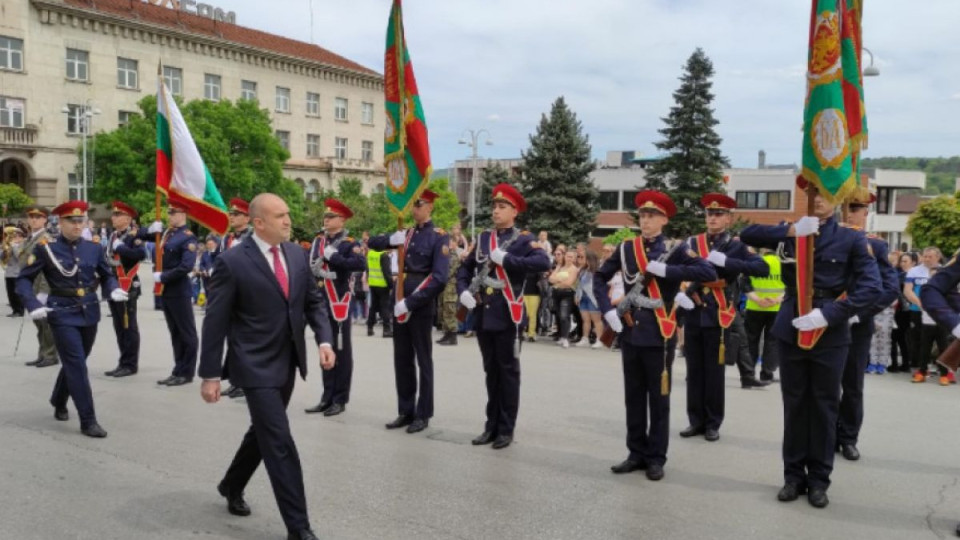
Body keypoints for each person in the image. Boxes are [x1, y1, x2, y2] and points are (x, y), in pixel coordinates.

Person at [199, 193, 334, 540]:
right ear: (259, 223)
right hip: (253, 365)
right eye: (280, 216)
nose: (288, 221)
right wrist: (210, 374)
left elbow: (313, 302)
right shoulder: (233, 261)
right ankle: (298, 527)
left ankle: (231, 484)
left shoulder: (296, 254)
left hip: (287, 361)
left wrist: (324, 340)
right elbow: (215, 321)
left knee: (262, 432)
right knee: (279, 440)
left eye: (288, 214)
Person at [739, 178, 880, 508]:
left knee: (824, 406)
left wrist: (830, 314)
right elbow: (746, 234)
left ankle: (819, 479)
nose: (818, 200)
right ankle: (792, 476)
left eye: (826, 193)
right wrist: (788, 232)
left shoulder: (850, 239)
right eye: (813, 192)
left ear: (838, 199)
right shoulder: (792, 231)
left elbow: (870, 287)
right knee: (795, 405)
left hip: (829, 331)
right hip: (791, 327)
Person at [594, 190, 716, 481]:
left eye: (652, 216)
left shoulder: (675, 249)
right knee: (633, 397)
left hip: (660, 332)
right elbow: (599, 277)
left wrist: (668, 270)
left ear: (664, 219)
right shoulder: (626, 249)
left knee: (658, 400)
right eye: (643, 215)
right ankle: (635, 452)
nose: (645, 220)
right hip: (630, 330)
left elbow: (707, 270)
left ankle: (656, 457)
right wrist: (606, 311)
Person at [16, 200, 128, 438]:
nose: (78, 225)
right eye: (72, 221)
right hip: (62, 312)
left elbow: (107, 274)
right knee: (77, 364)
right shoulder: (46, 248)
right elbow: (23, 279)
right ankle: (88, 420)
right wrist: (33, 304)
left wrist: (112, 289)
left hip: (89, 312)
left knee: (75, 361)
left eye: (81, 221)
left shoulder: (94, 247)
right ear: (60, 222)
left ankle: (58, 399)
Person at [456, 184, 551, 449]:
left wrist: (508, 259)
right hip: (485, 314)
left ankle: (506, 429)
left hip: (509, 314)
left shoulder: (523, 239)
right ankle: (491, 425)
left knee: (508, 373)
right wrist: (463, 291)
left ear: (514, 211)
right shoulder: (484, 238)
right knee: (491, 372)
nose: (496, 211)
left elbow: (543, 263)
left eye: (502, 207)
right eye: (494, 207)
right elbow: (465, 268)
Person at [676, 193, 770, 442]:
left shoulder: (735, 246)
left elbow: (762, 267)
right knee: (694, 370)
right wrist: (682, 290)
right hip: (694, 310)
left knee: (714, 372)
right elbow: (676, 267)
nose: (713, 218)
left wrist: (729, 262)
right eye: (709, 214)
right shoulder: (692, 242)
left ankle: (713, 422)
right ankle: (695, 420)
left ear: (728, 219)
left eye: (718, 214)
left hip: (719, 313)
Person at [367, 189, 449, 434]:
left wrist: (411, 303)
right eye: (413, 204)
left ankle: (423, 413)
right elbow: (372, 242)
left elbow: (440, 278)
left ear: (430, 207)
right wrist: (393, 240)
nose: (414, 208)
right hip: (399, 295)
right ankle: (405, 410)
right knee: (401, 358)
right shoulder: (407, 233)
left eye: (419, 203)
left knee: (423, 359)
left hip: (420, 304)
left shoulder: (439, 237)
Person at [836, 189, 899, 461]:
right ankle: (826, 436)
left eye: (857, 207)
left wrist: (860, 313)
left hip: (857, 323)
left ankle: (848, 438)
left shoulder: (876, 245)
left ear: (866, 213)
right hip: (827, 320)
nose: (851, 212)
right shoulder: (828, 240)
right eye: (847, 207)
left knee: (852, 385)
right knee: (825, 386)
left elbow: (890, 288)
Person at [304, 198, 366, 417]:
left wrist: (336, 258)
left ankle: (340, 398)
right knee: (325, 347)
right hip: (320, 300)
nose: (326, 219)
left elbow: (359, 265)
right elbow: (311, 266)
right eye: (326, 216)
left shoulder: (349, 242)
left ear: (342, 219)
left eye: (331, 217)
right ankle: (326, 396)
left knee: (341, 350)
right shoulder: (318, 241)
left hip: (339, 301)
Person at [144, 203, 199, 387]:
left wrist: (164, 276)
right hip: (166, 291)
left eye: (173, 212)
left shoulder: (187, 238)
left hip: (179, 290)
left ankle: (187, 372)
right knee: (175, 333)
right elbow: (140, 235)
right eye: (168, 212)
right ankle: (178, 369)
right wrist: (150, 228)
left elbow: (186, 266)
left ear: (184, 214)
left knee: (187, 333)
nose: (169, 215)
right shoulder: (167, 233)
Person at [103, 201, 147, 378]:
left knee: (129, 326)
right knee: (119, 325)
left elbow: (140, 254)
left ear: (128, 218)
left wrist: (121, 248)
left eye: (117, 215)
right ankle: (122, 361)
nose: (113, 217)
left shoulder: (133, 235)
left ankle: (130, 364)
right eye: (113, 214)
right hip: (114, 284)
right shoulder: (114, 235)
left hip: (128, 284)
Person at [904, 247, 952, 384]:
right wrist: (921, 303)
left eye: (930, 257)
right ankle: (922, 371)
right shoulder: (914, 271)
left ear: (938, 257)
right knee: (923, 344)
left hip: (941, 314)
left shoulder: (945, 271)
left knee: (943, 344)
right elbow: (908, 290)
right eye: (925, 256)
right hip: (920, 311)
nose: (926, 259)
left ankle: (944, 374)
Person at [20, 206, 59, 368]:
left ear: (45, 220)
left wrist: (44, 291)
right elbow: (24, 260)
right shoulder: (31, 238)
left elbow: (48, 267)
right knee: (38, 323)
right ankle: (42, 353)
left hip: (41, 286)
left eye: (38, 217)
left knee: (46, 323)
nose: (34, 220)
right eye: (31, 217)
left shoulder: (46, 239)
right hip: (31, 285)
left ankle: (50, 355)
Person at [741, 248, 784, 386]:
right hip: (776, 307)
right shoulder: (783, 262)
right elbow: (791, 285)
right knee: (772, 341)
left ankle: (749, 372)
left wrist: (757, 300)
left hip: (754, 307)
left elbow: (745, 284)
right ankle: (767, 373)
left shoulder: (754, 262)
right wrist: (777, 299)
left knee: (751, 340)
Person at [889, 252, 916, 372]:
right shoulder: (899, 275)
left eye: (906, 261)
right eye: (902, 261)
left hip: (906, 310)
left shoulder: (913, 276)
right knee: (899, 337)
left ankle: (899, 364)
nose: (903, 264)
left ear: (913, 262)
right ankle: (903, 363)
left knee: (898, 337)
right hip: (900, 309)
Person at [549, 250, 579, 348]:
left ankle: (566, 338)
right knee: (558, 315)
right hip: (556, 293)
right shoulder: (560, 267)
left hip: (567, 294)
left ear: (574, 259)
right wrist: (559, 280)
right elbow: (550, 279)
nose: (569, 258)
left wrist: (556, 281)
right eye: (567, 256)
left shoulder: (574, 269)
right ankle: (561, 336)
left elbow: (569, 283)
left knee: (564, 315)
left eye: (571, 257)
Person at [575, 250, 604, 348]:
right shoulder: (582, 270)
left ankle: (600, 339)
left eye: (583, 258)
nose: (581, 259)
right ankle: (585, 338)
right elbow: (579, 284)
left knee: (596, 320)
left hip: (593, 297)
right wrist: (577, 295)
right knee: (585, 319)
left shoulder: (596, 271)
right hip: (583, 296)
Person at [437, 236, 462, 346]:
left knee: (450, 310)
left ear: (455, 244)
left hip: (450, 287)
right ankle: (446, 333)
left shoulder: (453, 256)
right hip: (444, 286)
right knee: (443, 309)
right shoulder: (445, 256)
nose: (448, 245)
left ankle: (452, 336)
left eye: (451, 242)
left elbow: (449, 272)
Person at [366, 245, 394, 338]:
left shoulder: (370, 254)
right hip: (383, 284)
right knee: (385, 307)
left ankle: (370, 328)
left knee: (373, 307)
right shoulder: (384, 256)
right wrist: (391, 285)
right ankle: (386, 330)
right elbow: (386, 272)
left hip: (373, 283)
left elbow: (367, 269)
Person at [3, 225, 25, 317]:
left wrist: (14, 246)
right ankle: (14, 310)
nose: (14, 238)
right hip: (9, 273)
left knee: (16, 294)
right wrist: (4, 250)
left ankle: (19, 311)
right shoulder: (9, 245)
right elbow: (3, 259)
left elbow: (19, 257)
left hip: (17, 273)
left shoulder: (21, 245)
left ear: (21, 237)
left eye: (16, 236)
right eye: (13, 236)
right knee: (10, 293)